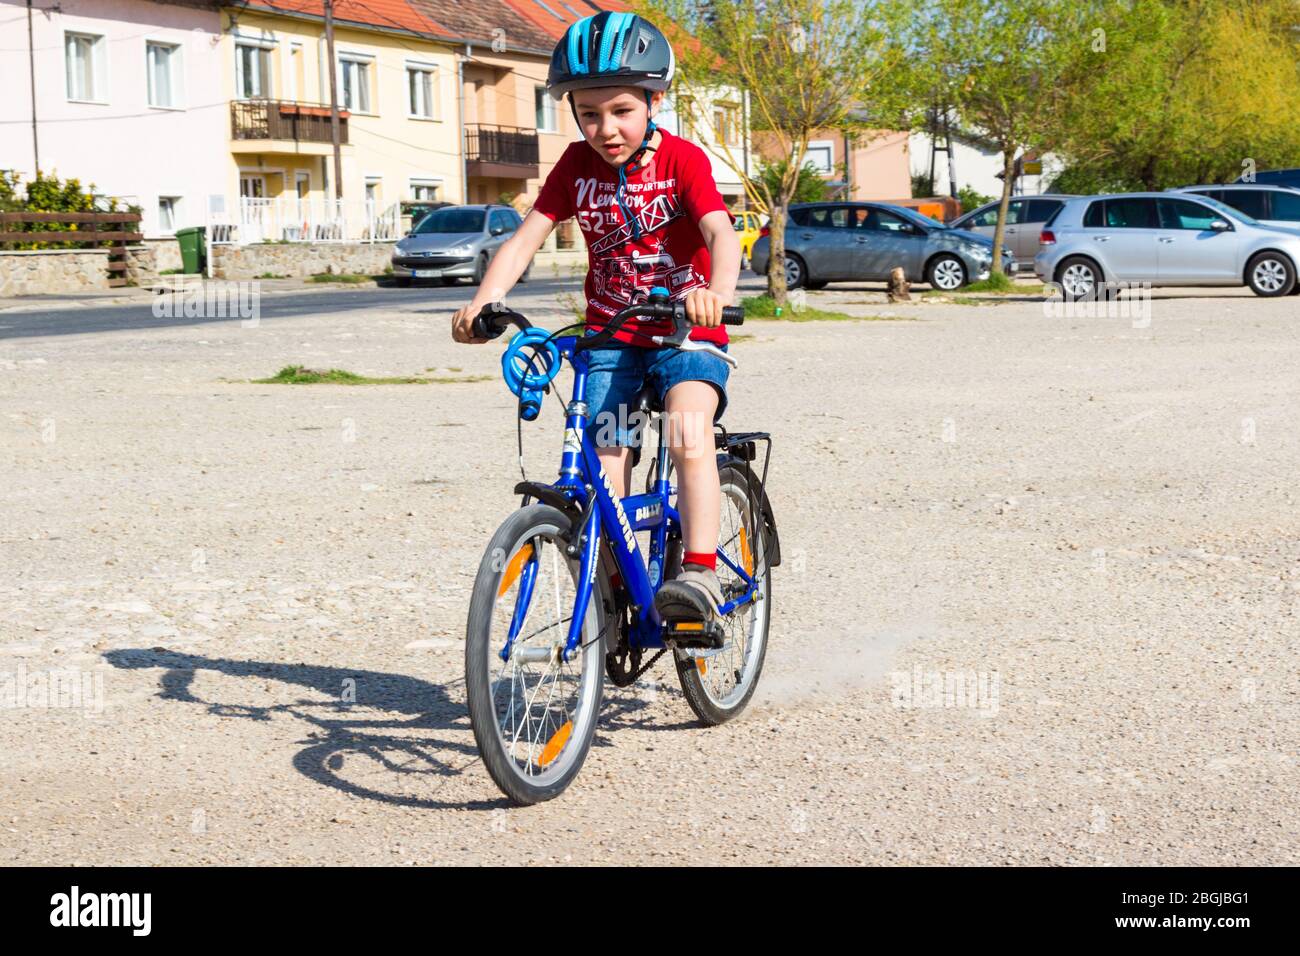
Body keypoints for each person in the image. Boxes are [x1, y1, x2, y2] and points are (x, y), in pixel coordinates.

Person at [450, 12, 741, 629]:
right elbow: (527, 236)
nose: (605, 128)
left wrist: (714, 292)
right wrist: (485, 299)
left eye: (621, 111)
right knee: (603, 467)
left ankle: (699, 574)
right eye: (588, 114)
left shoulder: (683, 161)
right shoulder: (574, 167)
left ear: (654, 101)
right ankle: (615, 587)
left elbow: (720, 230)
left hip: (686, 333)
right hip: (610, 337)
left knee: (690, 431)